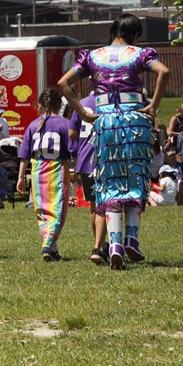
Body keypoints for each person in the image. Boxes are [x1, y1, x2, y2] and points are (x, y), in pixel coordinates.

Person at [58, 13, 170, 270]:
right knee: (135, 178)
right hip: (134, 121)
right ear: (136, 35)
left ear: (113, 32)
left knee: (109, 183)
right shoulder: (139, 54)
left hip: (106, 123)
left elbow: (63, 83)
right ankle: (131, 239)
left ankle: (115, 244)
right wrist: (153, 104)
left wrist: (83, 112)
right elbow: (164, 71)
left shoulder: (94, 56)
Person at [16, 89, 73, 262]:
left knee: (42, 210)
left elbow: (24, 155)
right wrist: (76, 168)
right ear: (59, 105)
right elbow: (72, 150)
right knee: (57, 209)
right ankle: (47, 244)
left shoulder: (33, 125)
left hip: (38, 169)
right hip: (57, 168)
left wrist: (20, 178)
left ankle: (52, 249)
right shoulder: (65, 124)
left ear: (39, 106)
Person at [67, 94, 108, 264]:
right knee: (108, 204)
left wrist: (84, 141)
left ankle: (98, 244)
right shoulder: (110, 101)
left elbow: (71, 133)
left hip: (85, 160)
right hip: (105, 158)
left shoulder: (81, 103)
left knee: (94, 205)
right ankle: (99, 247)